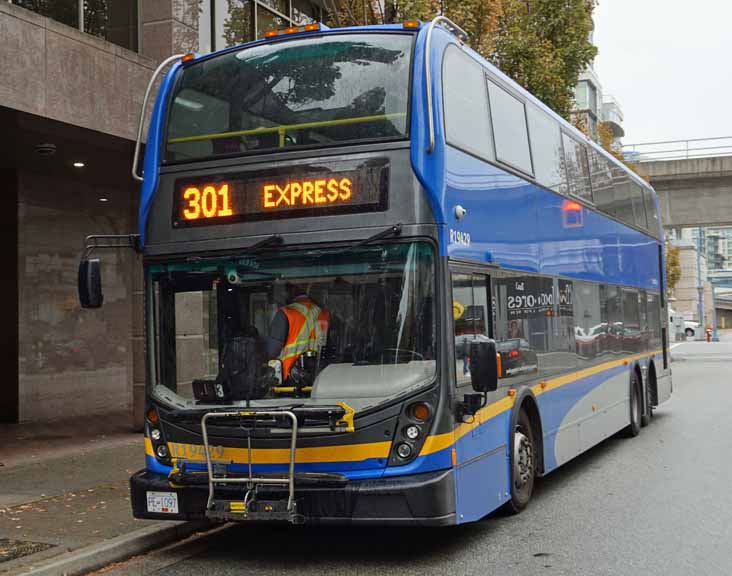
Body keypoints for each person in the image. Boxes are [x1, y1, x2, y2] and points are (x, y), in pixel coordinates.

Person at [265, 282, 330, 381]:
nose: (284, 294)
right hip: (319, 378)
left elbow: (272, 351)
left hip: (289, 379)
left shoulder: (286, 313)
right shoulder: (323, 313)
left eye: (286, 290)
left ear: (293, 289)